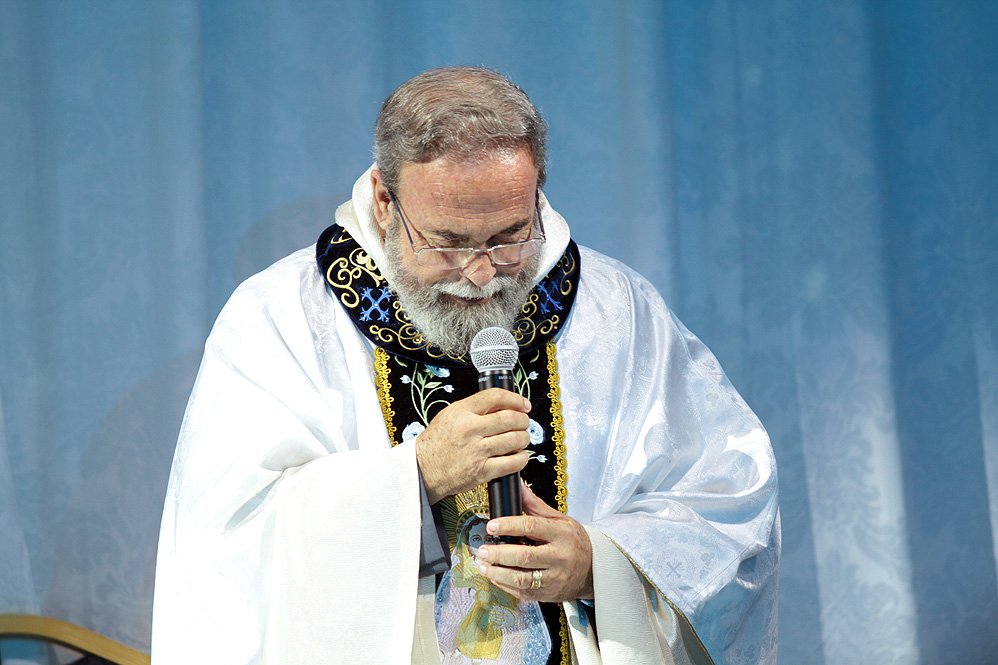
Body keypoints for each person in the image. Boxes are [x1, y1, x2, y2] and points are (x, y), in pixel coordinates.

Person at [151, 67, 779, 665]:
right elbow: (223, 549)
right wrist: (413, 479)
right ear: (383, 198)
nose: (481, 274)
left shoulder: (618, 312)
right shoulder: (281, 319)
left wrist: (602, 564)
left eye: (508, 235)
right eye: (448, 242)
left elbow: (730, 497)